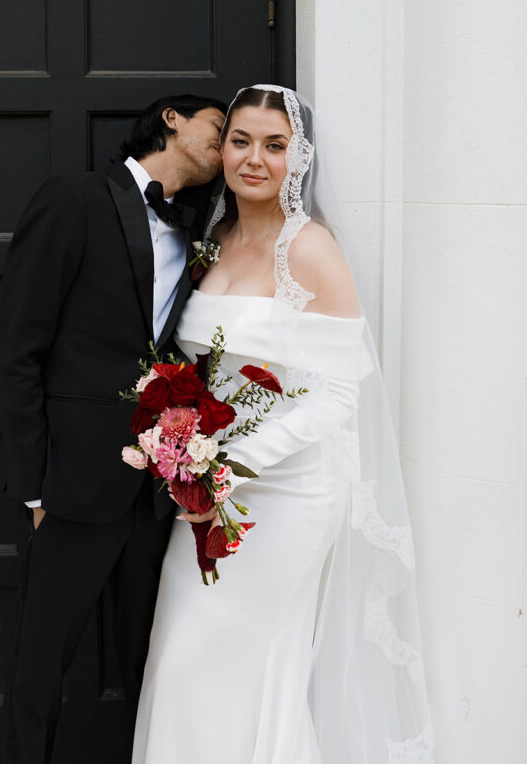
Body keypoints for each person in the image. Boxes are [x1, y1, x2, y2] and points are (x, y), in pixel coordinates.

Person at [133, 85, 434, 764]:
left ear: (298, 159)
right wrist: (181, 444)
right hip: (206, 495)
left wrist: (230, 466)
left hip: (290, 493)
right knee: (182, 654)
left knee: (245, 662)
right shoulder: (211, 242)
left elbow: (337, 393)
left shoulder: (311, 250)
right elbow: (193, 365)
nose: (253, 159)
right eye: (240, 141)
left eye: (275, 146)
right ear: (223, 148)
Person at [0, 92, 227, 764]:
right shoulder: (72, 200)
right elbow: (19, 353)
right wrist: (35, 490)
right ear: (171, 120)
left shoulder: (197, 237)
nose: (225, 145)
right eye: (219, 129)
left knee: (151, 673)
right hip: (72, 489)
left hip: (156, 497)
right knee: (38, 674)